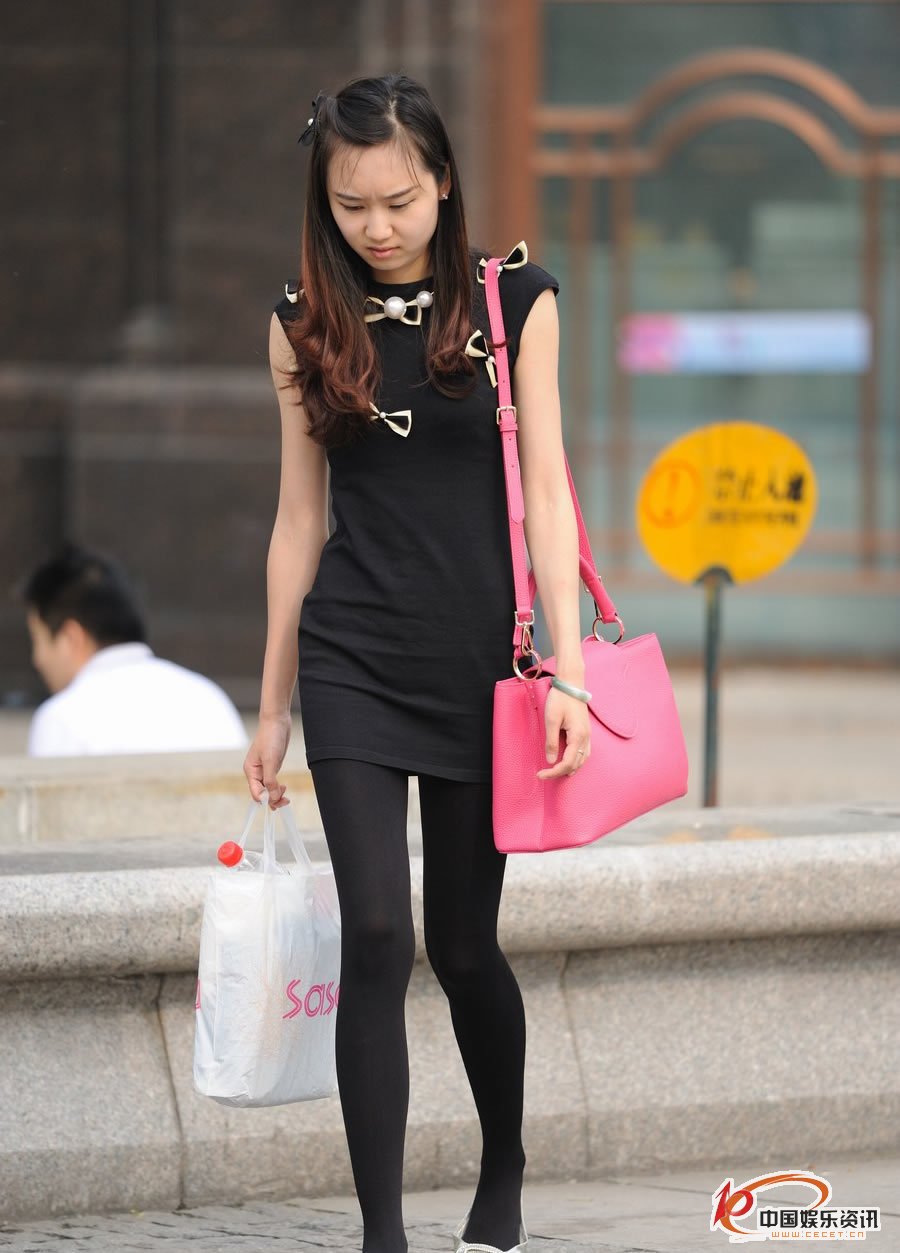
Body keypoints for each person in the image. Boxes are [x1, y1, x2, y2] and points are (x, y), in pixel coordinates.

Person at [243, 74, 590, 1253]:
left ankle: (505, 1163)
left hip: (480, 663)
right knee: (377, 935)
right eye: (351, 207)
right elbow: (298, 521)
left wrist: (571, 671)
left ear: (443, 180)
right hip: (351, 652)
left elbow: (549, 492)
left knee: (463, 943)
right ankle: (381, 1230)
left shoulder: (516, 302)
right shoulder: (303, 321)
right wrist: (273, 704)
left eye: (398, 200)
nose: (378, 226)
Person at [20, 542, 248, 756]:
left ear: (71, 638)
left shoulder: (61, 719)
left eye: (37, 640)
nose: (36, 659)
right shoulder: (210, 699)